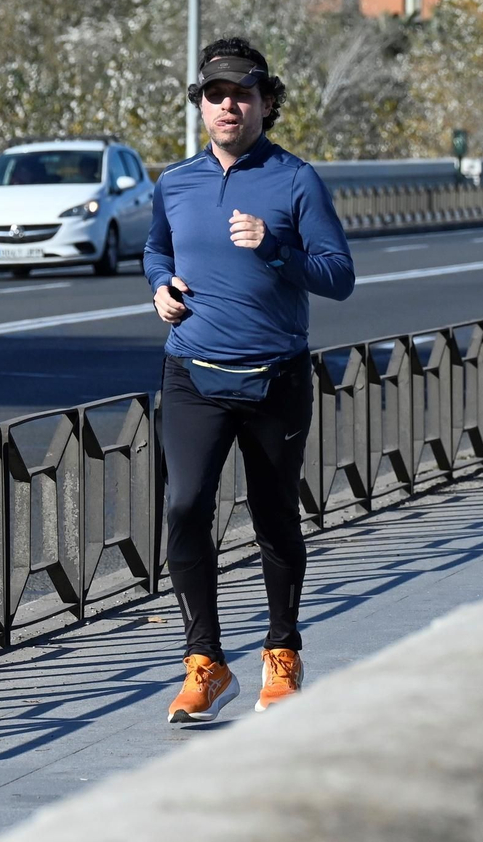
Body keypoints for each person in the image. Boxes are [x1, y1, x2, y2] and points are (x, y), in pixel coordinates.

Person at [144, 37, 356, 724]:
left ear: (267, 101)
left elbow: (339, 278)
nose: (228, 104)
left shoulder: (296, 180)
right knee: (184, 507)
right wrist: (159, 287)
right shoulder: (175, 183)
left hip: (275, 378)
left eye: (242, 93)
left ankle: (282, 654)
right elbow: (156, 248)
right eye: (215, 94)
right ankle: (204, 664)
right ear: (201, 105)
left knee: (272, 518)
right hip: (192, 373)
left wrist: (274, 245)